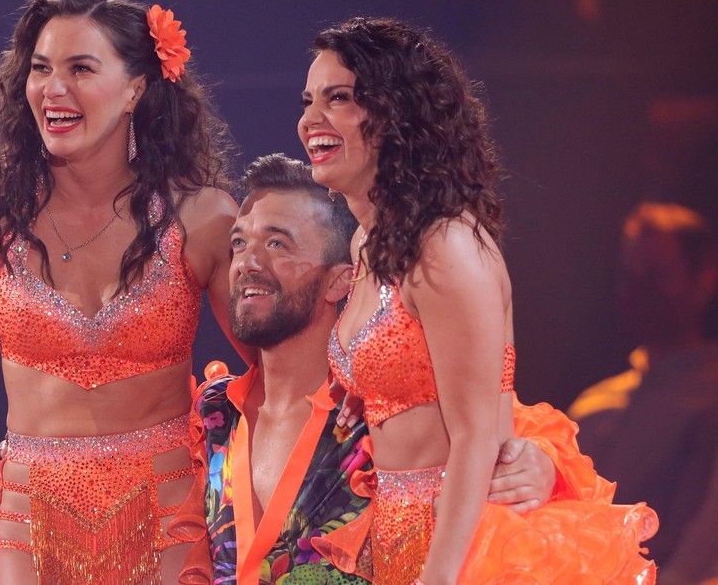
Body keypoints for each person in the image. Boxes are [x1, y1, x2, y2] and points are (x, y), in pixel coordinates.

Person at [0, 0, 240, 584]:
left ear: (136, 88)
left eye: (81, 68)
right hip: (28, 524)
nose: (54, 89)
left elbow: (276, 374)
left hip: (168, 514)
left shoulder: (202, 218)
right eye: (41, 68)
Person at [299, 17, 658, 584]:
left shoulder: (445, 245)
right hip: (396, 533)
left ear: (396, 115)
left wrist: (439, 578)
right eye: (309, 100)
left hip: (470, 543)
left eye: (338, 98)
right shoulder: (367, 241)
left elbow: (473, 433)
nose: (310, 120)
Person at [174, 153, 626, 584]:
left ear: (338, 280)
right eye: (239, 243)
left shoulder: (379, 409)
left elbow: (499, 426)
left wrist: (541, 463)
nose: (248, 263)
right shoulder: (211, 413)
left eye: (277, 243)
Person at [569, 201, 718, 581]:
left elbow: (701, 541)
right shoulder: (593, 407)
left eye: (656, 275)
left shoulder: (709, 398)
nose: (639, 291)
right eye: (629, 275)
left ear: (704, 279)